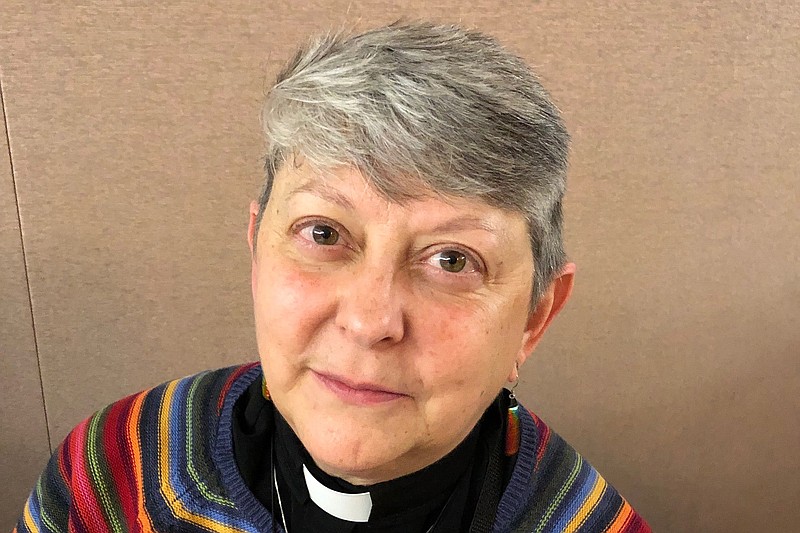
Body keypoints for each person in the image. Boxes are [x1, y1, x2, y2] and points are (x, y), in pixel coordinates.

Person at [15, 21, 650, 533]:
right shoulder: (112, 476)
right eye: (324, 234)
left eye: (452, 259)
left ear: (534, 319)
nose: (371, 321)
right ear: (257, 251)